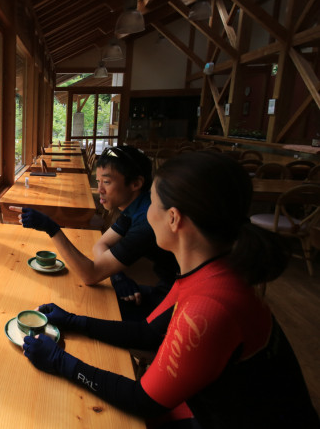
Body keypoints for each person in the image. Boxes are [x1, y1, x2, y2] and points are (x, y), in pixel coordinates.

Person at [22, 151, 320, 429]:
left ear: (174, 218)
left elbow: (143, 401)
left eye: (151, 203)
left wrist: (61, 362)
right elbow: (150, 333)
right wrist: (72, 321)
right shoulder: (208, 270)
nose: (146, 212)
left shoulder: (211, 305)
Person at [11, 145, 179, 320]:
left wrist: (51, 227)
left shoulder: (147, 220)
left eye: (106, 182)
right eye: (98, 182)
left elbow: (90, 275)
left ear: (136, 183)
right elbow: (101, 244)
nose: (99, 190)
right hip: (167, 290)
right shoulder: (134, 208)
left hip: (174, 306)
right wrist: (117, 275)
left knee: (79, 304)